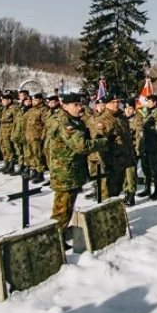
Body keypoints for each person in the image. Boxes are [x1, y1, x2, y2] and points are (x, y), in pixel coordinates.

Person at [45, 94, 107, 235]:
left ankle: (60, 232)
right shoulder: (65, 123)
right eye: (75, 105)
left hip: (71, 169)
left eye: (80, 105)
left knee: (67, 207)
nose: (79, 108)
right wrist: (103, 142)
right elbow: (81, 146)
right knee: (62, 209)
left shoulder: (74, 120)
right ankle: (55, 238)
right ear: (65, 106)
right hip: (65, 172)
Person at [139, 94, 157, 198]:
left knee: (154, 169)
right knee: (145, 168)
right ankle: (147, 188)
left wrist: (147, 126)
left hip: (153, 145)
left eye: (150, 101)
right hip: (146, 144)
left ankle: (156, 191)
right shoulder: (149, 113)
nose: (148, 103)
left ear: (154, 102)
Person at [23, 93, 49, 183]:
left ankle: (40, 173)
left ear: (41, 100)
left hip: (38, 136)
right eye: (33, 100)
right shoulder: (32, 110)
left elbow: (46, 125)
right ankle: (33, 170)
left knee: (38, 155)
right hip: (30, 136)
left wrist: (43, 137)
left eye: (36, 100)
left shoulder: (44, 110)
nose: (34, 102)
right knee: (31, 154)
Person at [0, 94, 19, 174]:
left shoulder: (14, 109)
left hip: (9, 132)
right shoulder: (4, 109)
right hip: (3, 132)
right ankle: (6, 164)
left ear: (9, 100)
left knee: (10, 149)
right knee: (4, 149)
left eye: (4, 100)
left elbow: (16, 122)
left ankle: (11, 166)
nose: (2, 102)